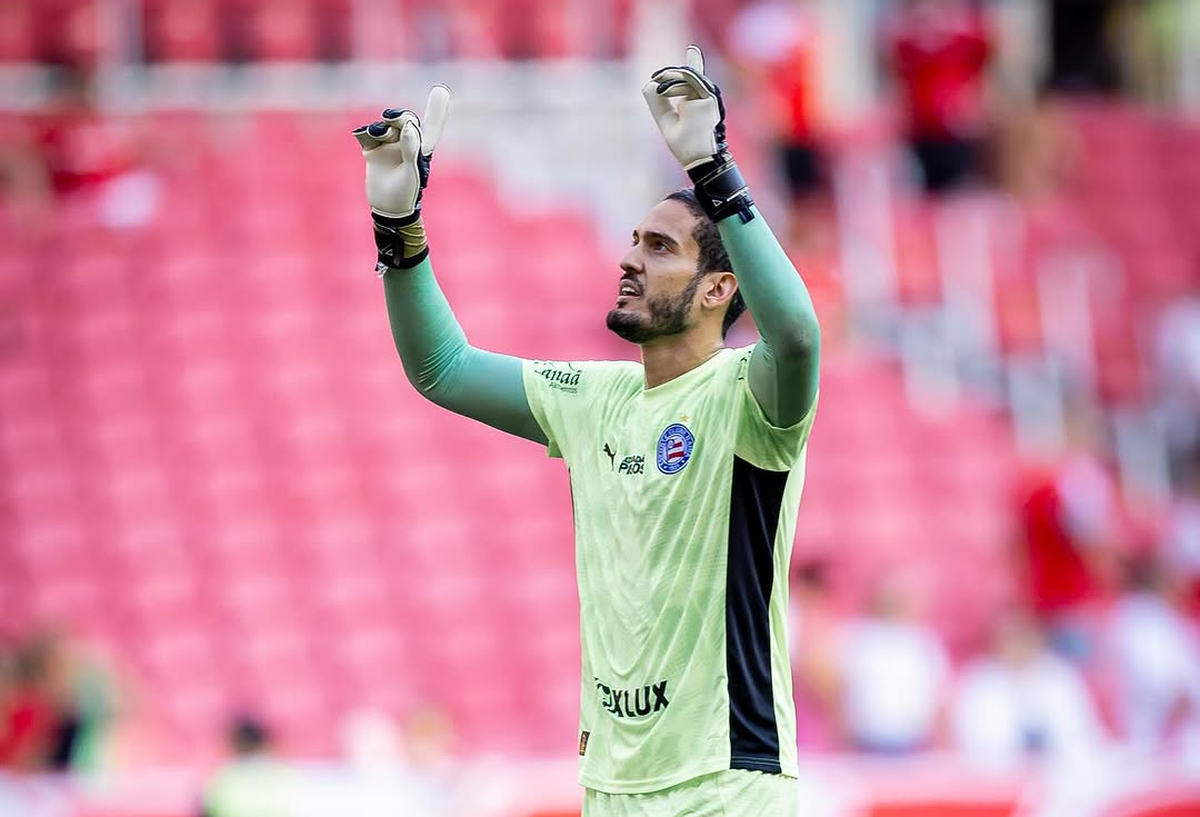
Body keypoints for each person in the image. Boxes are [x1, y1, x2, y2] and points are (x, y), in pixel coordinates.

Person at [352, 45, 820, 814]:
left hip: (728, 782)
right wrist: (398, 230)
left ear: (719, 287)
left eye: (659, 247)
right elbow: (439, 366)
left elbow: (798, 335)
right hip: (610, 784)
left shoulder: (749, 393)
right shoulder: (591, 397)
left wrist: (714, 168)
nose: (629, 259)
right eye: (635, 240)